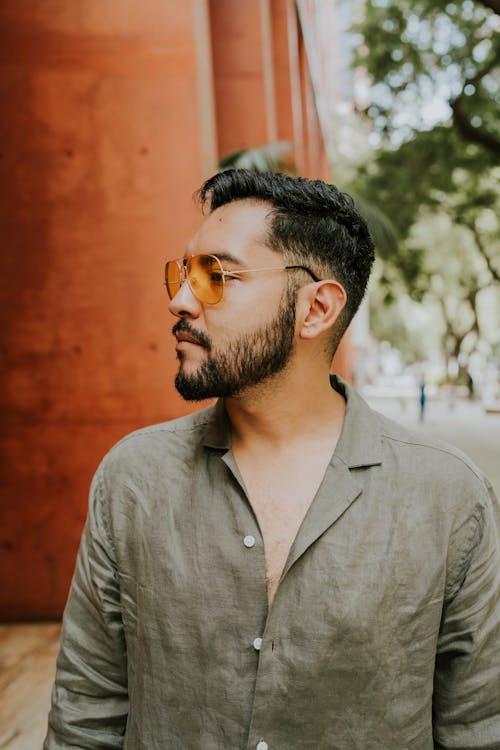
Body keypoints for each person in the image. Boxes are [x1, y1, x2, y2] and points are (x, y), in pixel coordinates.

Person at [44, 170, 500, 750]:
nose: (179, 299)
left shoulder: (448, 495)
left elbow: (479, 727)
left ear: (315, 309)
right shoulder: (133, 479)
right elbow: (86, 713)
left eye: (216, 275)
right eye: (182, 273)